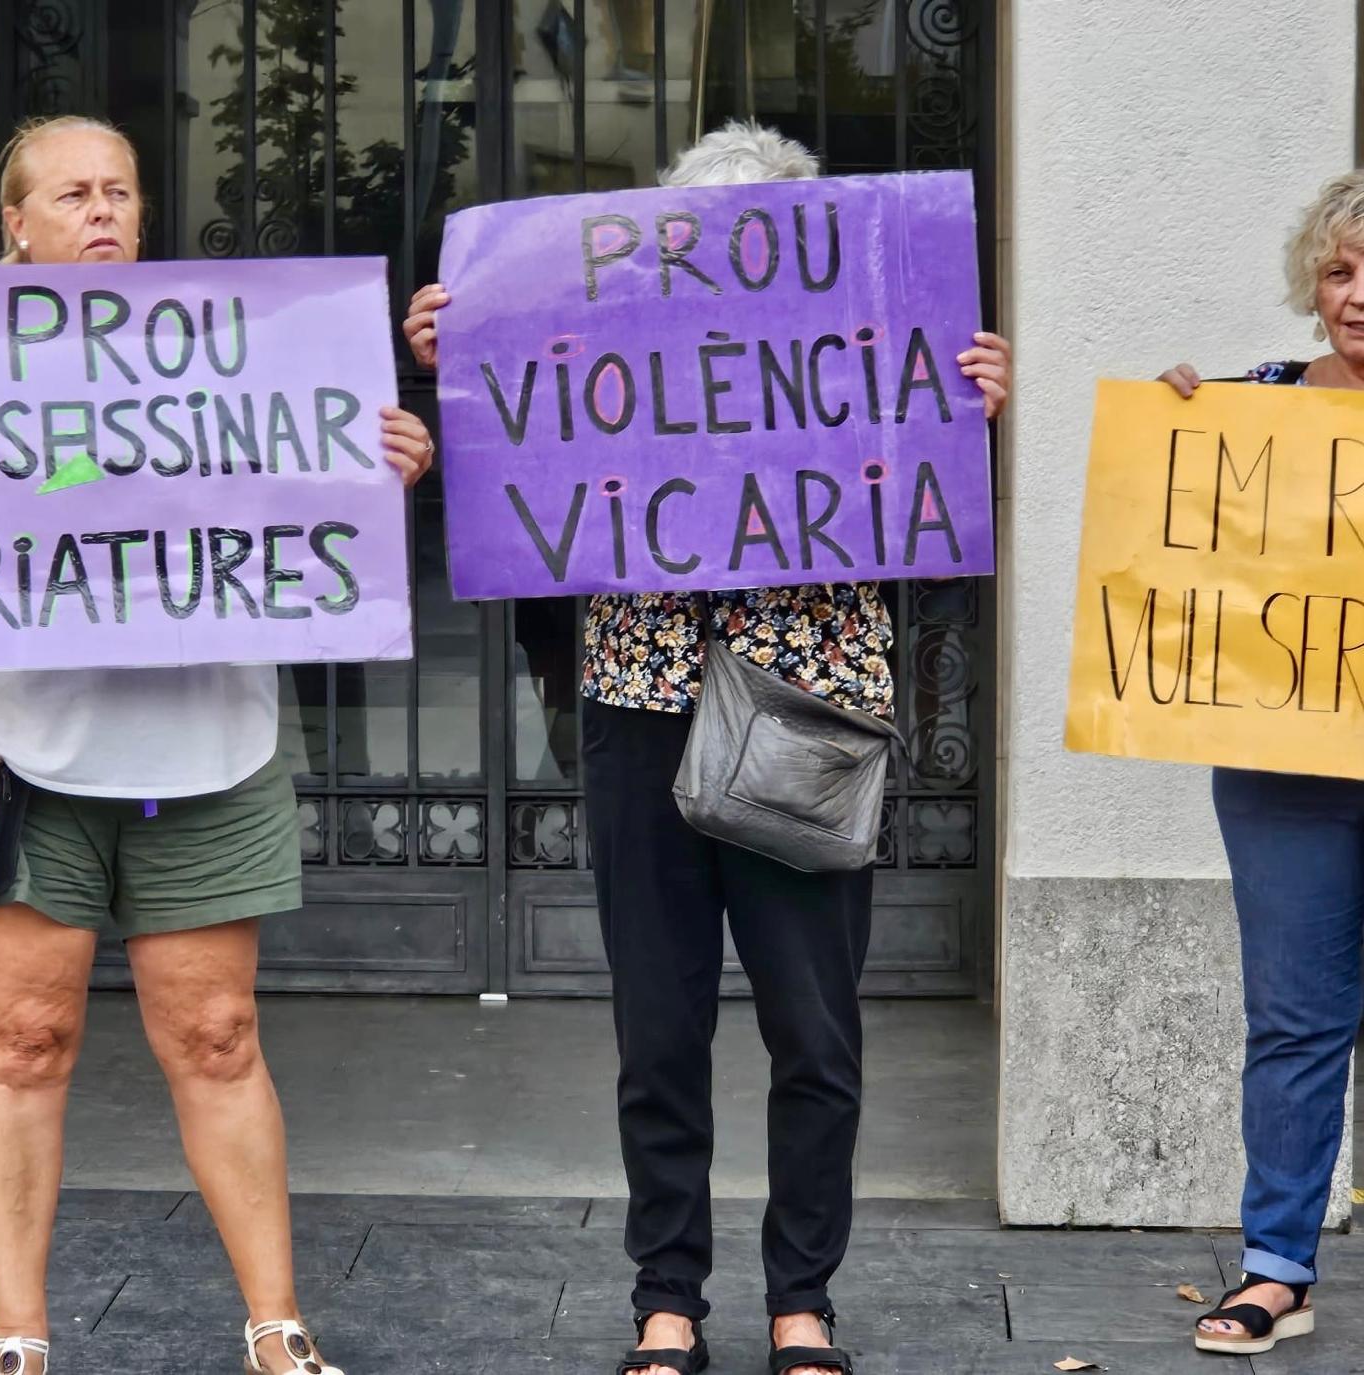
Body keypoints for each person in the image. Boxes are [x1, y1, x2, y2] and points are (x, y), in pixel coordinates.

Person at [0, 114, 435, 1375]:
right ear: (17, 223)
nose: (102, 212)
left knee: (217, 1036)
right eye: (74, 194)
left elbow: (295, 500)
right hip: (7, 751)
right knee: (21, 1042)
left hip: (205, 748)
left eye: (122, 193)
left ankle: (275, 1324)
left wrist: (381, 473)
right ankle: (16, 1335)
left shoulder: (241, 346)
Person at [404, 121, 1012, 1375]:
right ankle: (665, 1299)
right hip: (640, 708)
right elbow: (519, 430)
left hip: (807, 713)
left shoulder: (860, 345)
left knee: (815, 1029)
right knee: (660, 1027)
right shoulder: (614, 337)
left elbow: (925, 487)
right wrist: (459, 353)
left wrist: (968, 405)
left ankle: (804, 1304)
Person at [1159, 169, 1364, 1359]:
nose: (1357, 294)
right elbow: (1177, 524)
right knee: (1293, 1020)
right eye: (1337, 271)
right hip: (1287, 771)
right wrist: (1176, 420)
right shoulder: (1260, 407)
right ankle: (1277, 1266)